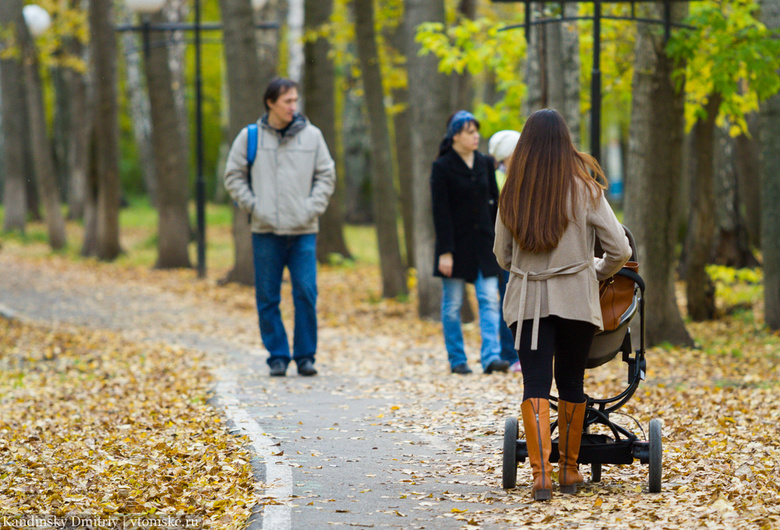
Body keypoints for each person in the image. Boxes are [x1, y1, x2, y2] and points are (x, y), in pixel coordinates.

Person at [493, 109, 631, 500]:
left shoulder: (513, 191)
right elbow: (619, 248)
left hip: (529, 302)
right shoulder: (586, 189)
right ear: (564, 142)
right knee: (571, 381)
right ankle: (569, 471)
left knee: (535, 382)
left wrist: (528, 266)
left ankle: (541, 477)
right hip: (574, 300)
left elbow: (502, 256)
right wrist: (596, 272)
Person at [223, 77, 336, 377]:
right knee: (268, 296)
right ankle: (277, 355)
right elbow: (233, 175)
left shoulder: (312, 136)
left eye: (295, 100)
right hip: (265, 232)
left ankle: (305, 356)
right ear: (270, 102)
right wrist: (254, 205)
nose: (293, 106)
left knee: (306, 292)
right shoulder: (250, 137)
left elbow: (326, 175)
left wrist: (310, 208)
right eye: (287, 101)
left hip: (303, 232)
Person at [431, 111, 511, 375]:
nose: (476, 136)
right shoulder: (442, 166)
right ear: (455, 135)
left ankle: (491, 357)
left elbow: (495, 204)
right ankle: (457, 359)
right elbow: (440, 212)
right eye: (469, 131)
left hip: (484, 245)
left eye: (477, 130)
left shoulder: (486, 163)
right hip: (454, 247)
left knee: (489, 298)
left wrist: (500, 241)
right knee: (453, 304)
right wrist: (445, 251)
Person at [488, 130, 523, 373]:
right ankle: (510, 355)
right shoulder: (501, 178)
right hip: (508, 251)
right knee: (507, 302)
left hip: (518, 251)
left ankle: (516, 354)